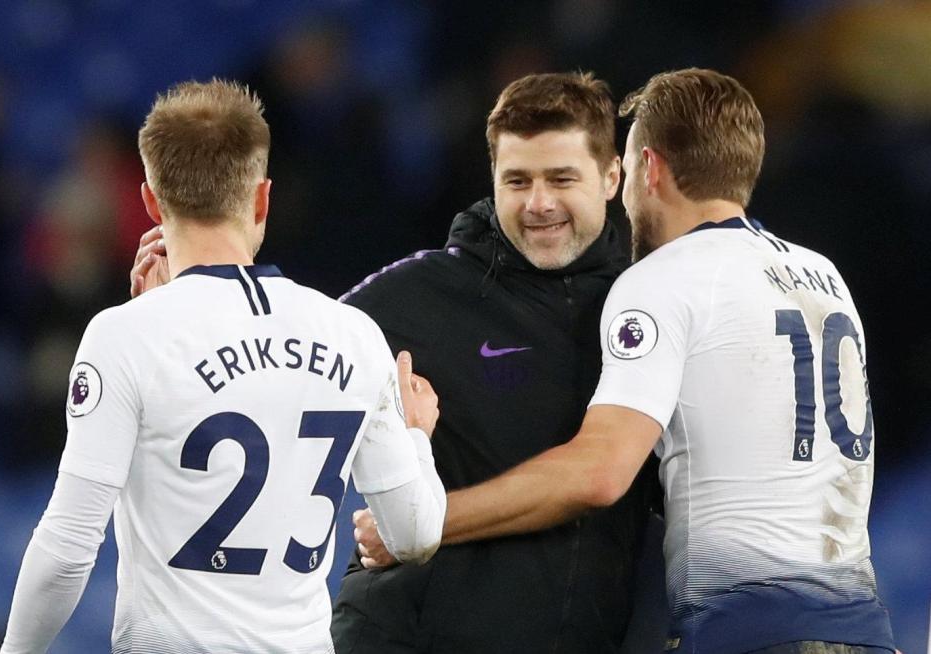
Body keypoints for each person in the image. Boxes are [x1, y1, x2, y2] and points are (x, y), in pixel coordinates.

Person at [131, 72, 667, 653]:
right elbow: (265, 362)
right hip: (405, 636)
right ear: (493, 179)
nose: (538, 203)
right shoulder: (422, 293)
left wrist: (428, 519)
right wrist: (171, 315)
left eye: (561, 179)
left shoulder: (650, 304)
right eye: (517, 181)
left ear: (613, 176)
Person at [365, 68, 894, 653]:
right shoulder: (822, 275)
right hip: (862, 628)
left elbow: (599, 472)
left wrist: (419, 520)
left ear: (647, 169)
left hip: (750, 632)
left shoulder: (663, 279)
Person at [1, 79, 446, 654]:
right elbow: (414, 534)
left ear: (151, 204)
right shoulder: (354, 335)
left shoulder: (125, 336)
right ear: (262, 198)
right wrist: (416, 437)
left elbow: (67, 549)